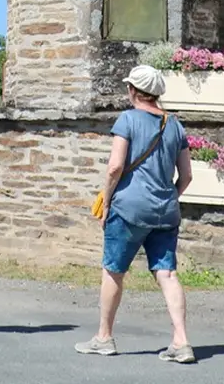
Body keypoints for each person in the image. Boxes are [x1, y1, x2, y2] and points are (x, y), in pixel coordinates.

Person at [74, 65, 194, 362]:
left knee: (114, 270)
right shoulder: (174, 125)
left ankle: (104, 337)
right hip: (165, 210)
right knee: (166, 272)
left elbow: (115, 166)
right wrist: (169, 197)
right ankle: (181, 341)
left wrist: (108, 199)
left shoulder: (127, 120)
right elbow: (187, 175)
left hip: (129, 207)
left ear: (133, 91)